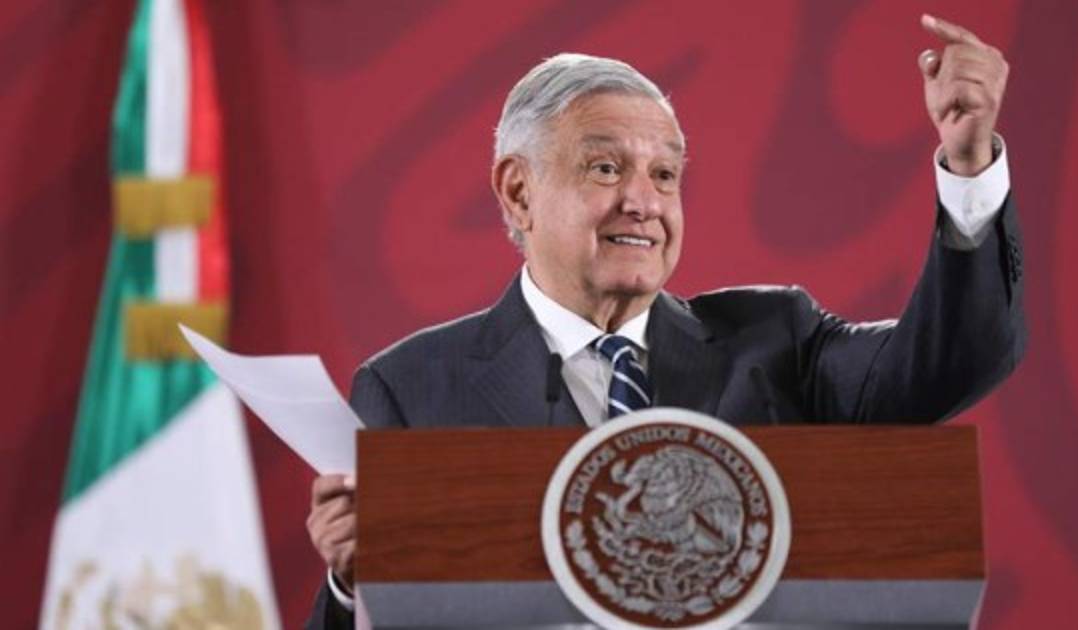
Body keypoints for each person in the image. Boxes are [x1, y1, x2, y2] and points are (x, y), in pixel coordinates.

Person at [304, 14, 1024, 629]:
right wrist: (348, 583)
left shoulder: (778, 340)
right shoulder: (410, 392)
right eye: (606, 169)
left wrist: (968, 169)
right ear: (519, 192)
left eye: (665, 175)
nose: (644, 203)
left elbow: (950, 361)